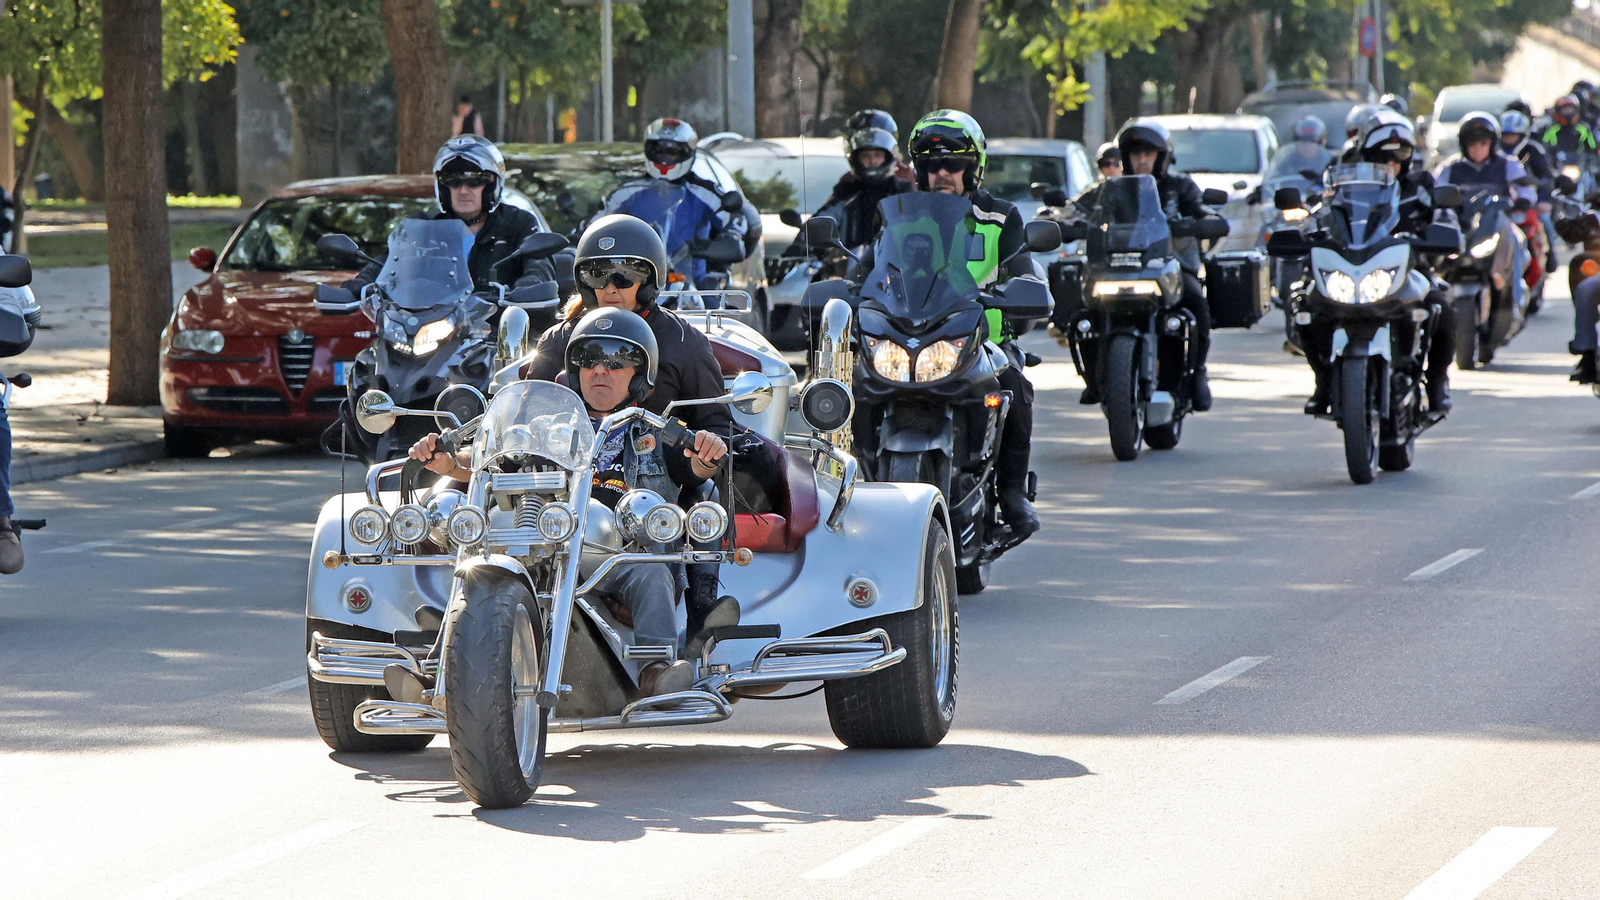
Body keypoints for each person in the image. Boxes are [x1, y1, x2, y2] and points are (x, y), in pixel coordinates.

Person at [411, 307, 732, 695]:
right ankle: (439, 665)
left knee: (651, 572)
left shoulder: (657, 432)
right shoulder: (541, 428)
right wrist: (449, 462)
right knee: (477, 567)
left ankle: (654, 670)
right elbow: (491, 466)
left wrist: (705, 453)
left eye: (618, 361)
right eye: (588, 359)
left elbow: (694, 469)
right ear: (573, 370)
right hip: (541, 539)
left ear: (639, 374)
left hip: (613, 554)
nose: (601, 370)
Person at [898, 109, 1039, 535]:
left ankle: (1012, 491)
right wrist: (843, 287)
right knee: (846, 389)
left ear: (973, 169)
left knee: (1015, 386)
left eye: (953, 164)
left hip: (983, 342)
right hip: (906, 339)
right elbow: (867, 270)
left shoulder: (1001, 218)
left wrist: (1023, 292)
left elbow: (1026, 273)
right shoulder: (899, 216)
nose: (942, 173)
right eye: (930, 164)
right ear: (918, 171)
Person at [1295, 110, 1456, 414]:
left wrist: (1437, 236)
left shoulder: (1420, 184)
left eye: (1398, 158)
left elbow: (1445, 216)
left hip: (1408, 267)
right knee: (1305, 307)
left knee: (1443, 309)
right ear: (1366, 156)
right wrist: (1309, 232)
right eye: (1383, 158)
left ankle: (1436, 383)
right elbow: (1321, 213)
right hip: (1351, 265)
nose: (1390, 165)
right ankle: (1324, 381)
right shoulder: (1344, 185)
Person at [1076, 119, 1219, 412]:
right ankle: (1093, 377)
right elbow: (1075, 208)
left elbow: (1205, 212)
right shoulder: (1110, 189)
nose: (1142, 160)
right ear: (1125, 158)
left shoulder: (1180, 186)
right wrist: (1061, 217)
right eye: (1135, 154)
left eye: (1149, 154)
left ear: (1162, 157)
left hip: (1171, 267)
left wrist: (1204, 222)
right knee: (1082, 312)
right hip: (1117, 267)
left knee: (1195, 300)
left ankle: (1197, 373)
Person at [343, 134, 558, 299]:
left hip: (497, 332)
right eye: (453, 181)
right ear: (443, 188)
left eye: (475, 180)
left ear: (492, 184)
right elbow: (389, 262)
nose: (463, 190)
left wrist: (529, 286)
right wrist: (361, 283)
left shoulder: (518, 223)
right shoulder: (422, 228)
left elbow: (539, 265)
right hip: (429, 329)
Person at [605, 117, 746, 289]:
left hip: (695, 285)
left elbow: (735, 224)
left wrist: (724, 241)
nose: (665, 159)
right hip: (631, 281)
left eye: (673, 152)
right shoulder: (625, 192)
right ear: (647, 150)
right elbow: (595, 227)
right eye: (658, 150)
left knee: (719, 310)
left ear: (689, 152)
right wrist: (578, 241)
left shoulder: (707, 193)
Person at [1435, 112, 1537, 314]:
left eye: (1483, 143)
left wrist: (1523, 200)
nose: (1478, 148)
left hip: (1498, 223)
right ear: (1464, 145)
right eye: (1472, 144)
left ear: (1492, 144)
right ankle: (1437, 300)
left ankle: (1514, 300)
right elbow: (1435, 192)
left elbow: (1526, 190)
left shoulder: (1508, 164)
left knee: (1517, 241)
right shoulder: (1449, 168)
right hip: (1461, 226)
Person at [792, 110, 913, 253]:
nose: (872, 161)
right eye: (865, 155)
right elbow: (829, 214)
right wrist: (802, 241)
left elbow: (921, 221)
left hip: (897, 264)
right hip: (851, 265)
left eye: (877, 155)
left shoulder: (905, 188)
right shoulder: (847, 188)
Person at [1500, 108, 1557, 272]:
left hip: (1531, 201)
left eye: (1513, 135)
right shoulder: (1494, 153)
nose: (1509, 139)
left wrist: (1542, 198)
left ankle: (1550, 254)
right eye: (1505, 135)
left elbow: (1546, 176)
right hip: (1502, 203)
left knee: (1544, 219)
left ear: (1523, 135)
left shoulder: (1534, 151)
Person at [1265, 115, 1335, 182]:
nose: (1307, 147)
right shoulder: (1287, 162)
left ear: (1321, 143)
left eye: (1311, 142)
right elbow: (1273, 180)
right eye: (1303, 142)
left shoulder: (1331, 161)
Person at [1538, 94, 1596, 162]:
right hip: (1558, 165)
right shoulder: (1551, 130)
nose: (1568, 113)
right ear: (1558, 111)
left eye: (1570, 109)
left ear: (1576, 109)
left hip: (1580, 165)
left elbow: (1592, 148)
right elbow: (1543, 147)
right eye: (1565, 110)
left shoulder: (1584, 129)